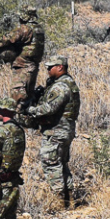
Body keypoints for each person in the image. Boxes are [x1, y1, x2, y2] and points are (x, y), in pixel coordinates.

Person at [22, 55, 80, 206]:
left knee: (51, 164)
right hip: (64, 130)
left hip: (57, 131)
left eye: (51, 67)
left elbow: (49, 108)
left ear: (60, 67)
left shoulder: (60, 87)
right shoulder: (66, 83)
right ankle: (70, 200)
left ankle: (59, 201)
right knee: (61, 164)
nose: (48, 69)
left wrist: (30, 110)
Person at [0, 6, 46, 105]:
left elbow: (5, 40)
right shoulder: (38, 29)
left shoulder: (25, 29)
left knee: (17, 100)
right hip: (33, 67)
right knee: (29, 98)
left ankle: (17, 119)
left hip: (23, 68)